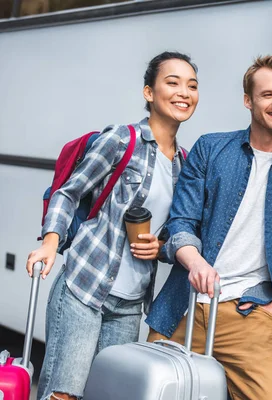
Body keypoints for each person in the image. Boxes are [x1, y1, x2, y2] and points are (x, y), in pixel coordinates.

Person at [145, 54, 272, 400]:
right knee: (150, 390)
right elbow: (181, 222)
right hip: (183, 305)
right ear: (248, 100)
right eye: (268, 94)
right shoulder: (211, 149)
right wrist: (196, 262)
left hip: (249, 313)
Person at [26, 51, 199, 400]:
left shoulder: (185, 163)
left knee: (108, 394)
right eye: (173, 82)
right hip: (84, 287)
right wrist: (50, 241)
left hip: (130, 302)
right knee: (65, 394)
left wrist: (162, 247)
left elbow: (173, 231)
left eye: (192, 86)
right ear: (149, 93)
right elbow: (68, 193)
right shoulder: (121, 140)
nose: (184, 92)